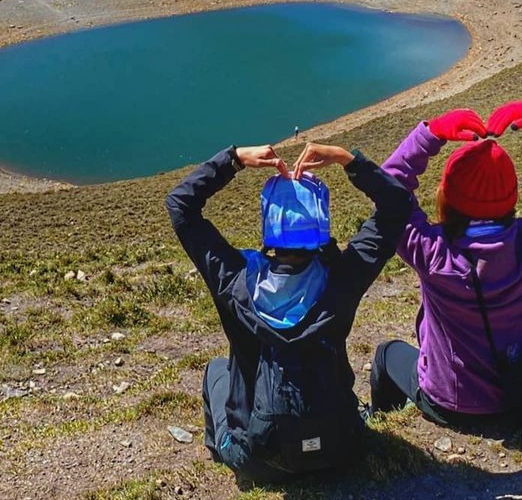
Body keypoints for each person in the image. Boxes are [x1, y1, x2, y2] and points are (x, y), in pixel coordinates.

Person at [165, 140, 412, 480]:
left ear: (268, 223)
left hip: (258, 458)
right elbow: (397, 205)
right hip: (340, 447)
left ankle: (226, 452)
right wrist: (347, 159)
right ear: (321, 225)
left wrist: (233, 159)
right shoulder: (342, 278)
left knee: (216, 371)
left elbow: (180, 205)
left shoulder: (236, 280)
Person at [368, 101, 522, 430]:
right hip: (520, 396)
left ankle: (379, 422)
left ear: (448, 198)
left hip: (447, 403)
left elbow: (388, 190)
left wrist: (430, 134)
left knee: (386, 355)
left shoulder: (434, 253)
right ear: (511, 196)